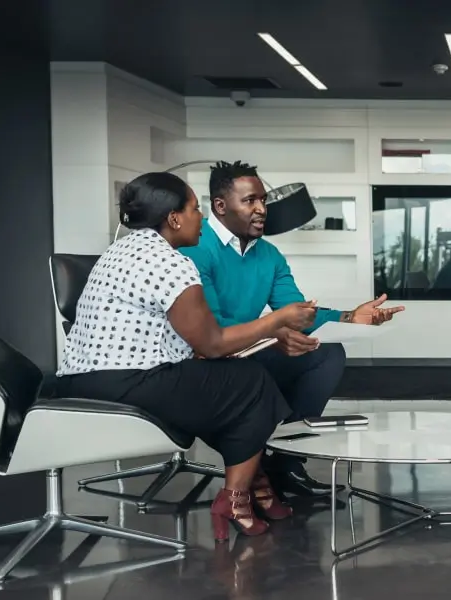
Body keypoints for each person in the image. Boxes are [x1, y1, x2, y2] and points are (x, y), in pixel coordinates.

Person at [55, 171, 316, 539]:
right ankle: (237, 498)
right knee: (253, 382)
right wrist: (276, 322)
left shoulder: (120, 250)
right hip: (129, 383)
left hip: (80, 380)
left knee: (222, 382)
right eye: (195, 209)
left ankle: (252, 485)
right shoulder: (171, 262)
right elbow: (211, 342)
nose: (202, 218)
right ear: (174, 218)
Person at [180, 160, 404, 498]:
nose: (261, 209)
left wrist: (350, 317)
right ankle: (254, 459)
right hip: (203, 359)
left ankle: (285, 459)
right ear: (220, 206)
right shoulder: (196, 248)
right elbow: (211, 329)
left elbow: (297, 313)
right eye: (250, 201)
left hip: (247, 352)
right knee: (276, 356)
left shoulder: (269, 255)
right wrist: (273, 336)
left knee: (325, 352)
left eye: (263, 201)